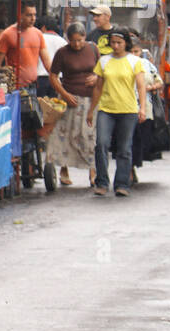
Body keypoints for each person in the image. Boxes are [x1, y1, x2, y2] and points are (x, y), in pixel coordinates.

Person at [86, 30, 146, 197]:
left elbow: (141, 86)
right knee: (102, 144)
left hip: (128, 110)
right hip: (106, 109)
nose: (116, 46)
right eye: (113, 42)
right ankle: (102, 182)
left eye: (119, 42)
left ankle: (122, 184)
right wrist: (92, 110)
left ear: (126, 43)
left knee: (124, 148)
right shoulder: (104, 61)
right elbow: (98, 87)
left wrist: (142, 109)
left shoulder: (135, 61)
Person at [46, 22, 99, 187]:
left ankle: (93, 171)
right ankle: (64, 169)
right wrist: (65, 94)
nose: (77, 44)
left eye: (80, 40)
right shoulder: (62, 53)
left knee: (90, 135)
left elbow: (101, 70)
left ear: (85, 37)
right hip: (70, 99)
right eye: (73, 41)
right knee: (65, 135)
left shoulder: (93, 49)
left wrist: (96, 77)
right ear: (68, 39)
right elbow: (53, 76)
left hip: (91, 99)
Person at [0, 2, 52, 90]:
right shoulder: (7, 34)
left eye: (34, 15)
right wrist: (8, 73)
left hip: (33, 86)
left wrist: (56, 79)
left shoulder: (38, 34)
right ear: (20, 15)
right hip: (14, 87)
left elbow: (47, 63)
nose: (33, 18)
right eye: (29, 15)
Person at [36, 16, 67, 97]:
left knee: (39, 106)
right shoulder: (63, 42)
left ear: (43, 27)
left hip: (40, 79)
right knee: (54, 106)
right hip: (58, 80)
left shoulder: (39, 39)